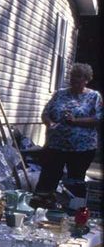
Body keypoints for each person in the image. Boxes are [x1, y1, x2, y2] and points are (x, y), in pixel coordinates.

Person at [35, 62, 103, 195]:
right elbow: (45, 113)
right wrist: (49, 123)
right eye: (72, 76)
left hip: (81, 149)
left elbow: (98, 118)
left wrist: (76, 120)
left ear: (87, 79)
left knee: (75, 182)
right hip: (55, 146)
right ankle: (41, 207)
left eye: (78, 76)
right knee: (47, 179)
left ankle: (71, 212)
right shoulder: (60, 94)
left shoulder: (94, 96)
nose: (74, 79)